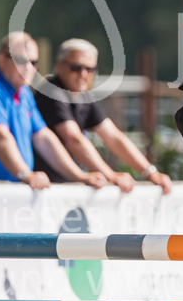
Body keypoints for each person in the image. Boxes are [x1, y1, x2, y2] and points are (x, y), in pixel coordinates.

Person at [0, 32, 108, 190]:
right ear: (2, 59)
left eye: (34, 62)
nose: (29, 68)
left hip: (14, 189)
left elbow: (44, 138)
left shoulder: (24, 93)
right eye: (21, 61)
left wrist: (80, 176)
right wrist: (26, 174)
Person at [32, 38, 173, 194]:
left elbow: (114, 137)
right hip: (42, 188)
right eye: (75, 68)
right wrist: (111, 176)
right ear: (59, 67)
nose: (83, 74)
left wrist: (150, 172)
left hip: (62, 186)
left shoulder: (84, 96)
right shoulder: (52, 93)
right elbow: (74, 139)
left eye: (90, 69)